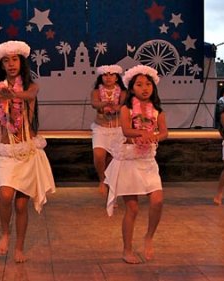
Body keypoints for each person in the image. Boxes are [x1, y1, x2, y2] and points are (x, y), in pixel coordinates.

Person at [0, 40, 56, 263]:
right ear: (1, 65)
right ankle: (5, 233)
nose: (11, 64)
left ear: (22, 62)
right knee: (6, 195)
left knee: (21, 204)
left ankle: (19, 247)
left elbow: (29, 96)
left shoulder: (31, 86)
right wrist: (1, 93)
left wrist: (13, 95)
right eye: (6, 61)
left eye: (15, 60)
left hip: (26, 151)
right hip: (6, 152)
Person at [104, 65, 168, 264]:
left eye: (148, 84)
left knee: (157, 200)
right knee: (132, 209)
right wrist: (142, 134)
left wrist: (155, 136)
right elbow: (126, 130)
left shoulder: (158, 111)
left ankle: (149, 236)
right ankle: (127, 249)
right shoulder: (126, 108)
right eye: (139, 85)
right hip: (130, 160)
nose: (144, 88)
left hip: (148, 160)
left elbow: (164, 132)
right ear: (132, 89)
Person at [90, 65, 127, 197]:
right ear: (101, 77)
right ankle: (102, 180)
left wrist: (113, 106)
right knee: (99, 155)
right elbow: (94, 103)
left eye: (112, 75)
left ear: (117, 77)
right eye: (105, 75)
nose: (108, 77)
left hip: (117, 129)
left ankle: (111, 187)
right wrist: (107, 104)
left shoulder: (123, 92)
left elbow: (122, 106)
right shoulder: (96, 91)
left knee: (112, 160)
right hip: (101, 128)